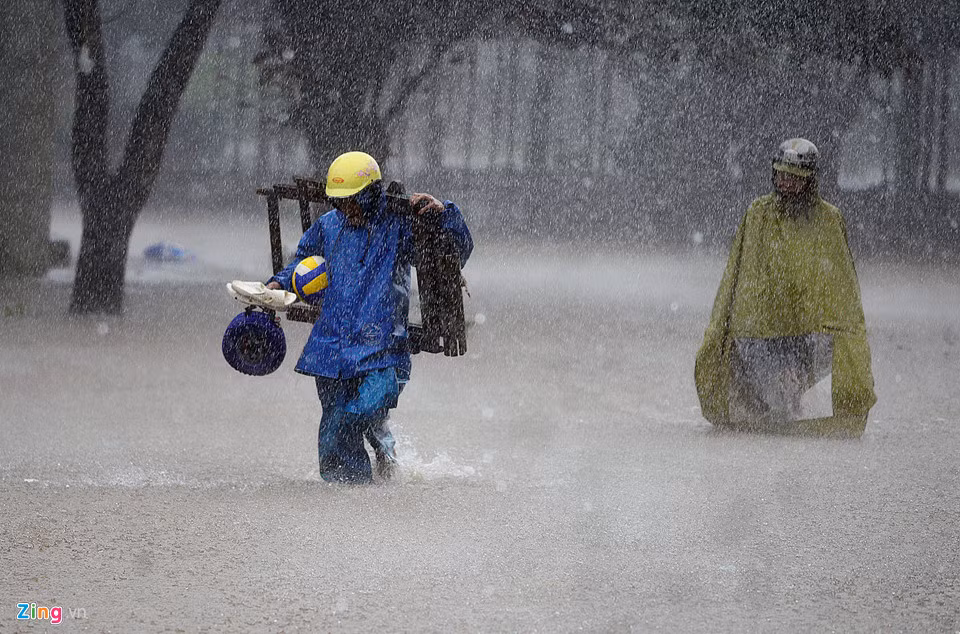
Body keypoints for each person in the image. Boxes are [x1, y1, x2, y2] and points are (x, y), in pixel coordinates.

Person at [266, 151, 473, 482]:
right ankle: (347, 495)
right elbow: (302, 262)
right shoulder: (328, 225)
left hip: (383, 351)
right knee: (334, 424)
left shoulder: (399, 228)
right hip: (331, 350)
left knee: (358, 414)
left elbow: (455, 250)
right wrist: (277, 283)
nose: (345, 209)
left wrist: (446, 213)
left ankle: (370, 472)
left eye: (352, 201)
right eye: (339, 202)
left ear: (370, 195)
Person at [694, 138, 876, 437]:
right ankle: (773, 413)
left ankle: (789, 408)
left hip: (810, 326)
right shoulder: (758, 214)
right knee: (769, 401)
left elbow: (840, 281)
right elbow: (740, 273)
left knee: (799, 385)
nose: (786, 183)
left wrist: (833, 323)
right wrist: (731, 322)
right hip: (763, 326)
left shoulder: (829, 220)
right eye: (781, 175)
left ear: (810, 180)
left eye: (794, 177)